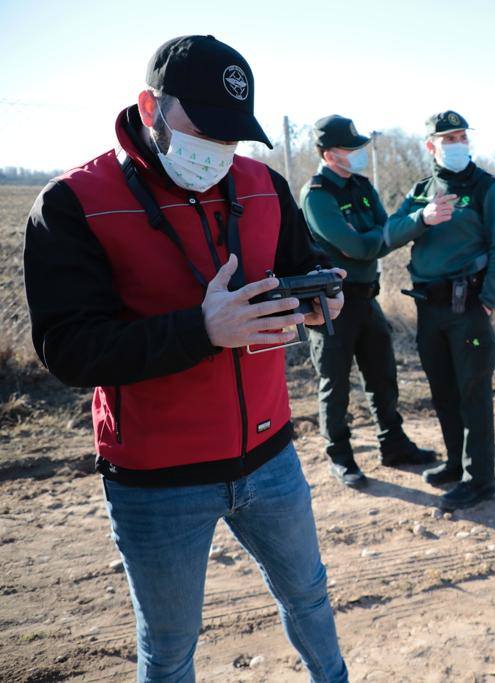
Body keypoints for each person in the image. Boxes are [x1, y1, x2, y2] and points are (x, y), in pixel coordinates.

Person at [23, 36, 349, 682]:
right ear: (150, 107)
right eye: (206, 131)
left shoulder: (264, 184)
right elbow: (70, 348)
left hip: (271, 456)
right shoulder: (70, 205)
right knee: (170, 649)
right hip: (156, 481)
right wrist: (202, 329)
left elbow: (301, 265)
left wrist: (320, 298)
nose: (220, 154)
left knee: (310, 596)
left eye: (233, 136)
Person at [384, 110, 495, 511]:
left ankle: (480, 480)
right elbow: (391, 232)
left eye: (462, 137)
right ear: (431, 146)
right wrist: (421, 219)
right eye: (448, 139)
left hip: (469, 306)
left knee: (473, 394)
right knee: (444, 392)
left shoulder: (486, 188)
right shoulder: (423, 190)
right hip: (429, 307)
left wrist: (489, 299)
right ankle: (457, 465)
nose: (457, 144)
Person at [301, 115, 436, 489]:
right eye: (351, 148)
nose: (359, 153)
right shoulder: (316, 195)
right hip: (330, 304)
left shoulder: (361, 185)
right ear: (329, 154)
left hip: (366, 298)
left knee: (382, 377)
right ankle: (339, 456)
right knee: (335, 384)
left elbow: (386, 230)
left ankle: (393, 445)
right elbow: (361, 246)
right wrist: (383, 236)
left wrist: (381, 236)